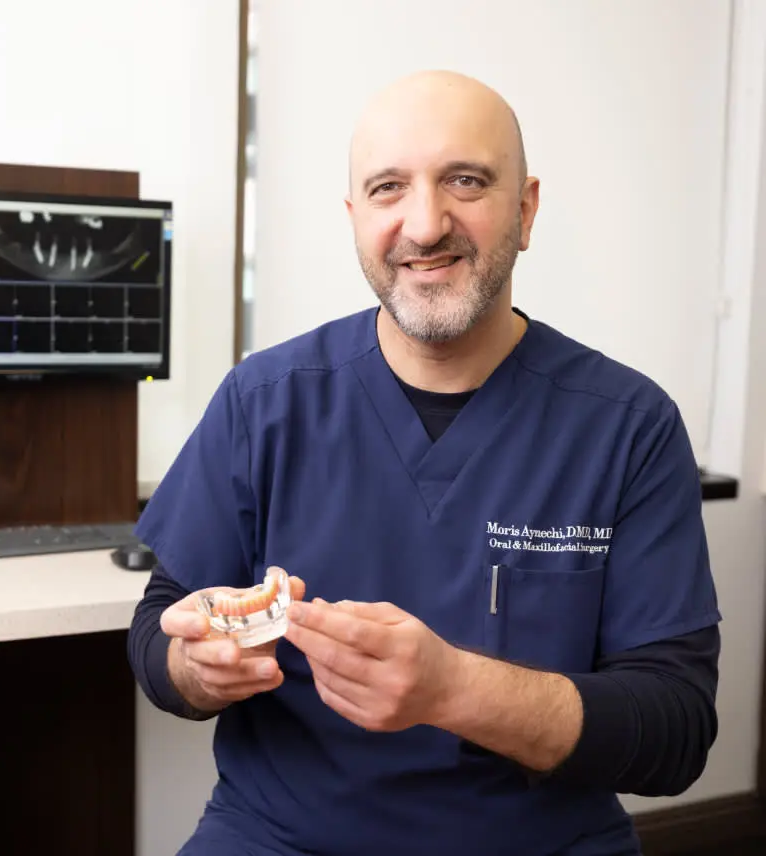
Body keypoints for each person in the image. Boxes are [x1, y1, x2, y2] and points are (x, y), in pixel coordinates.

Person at [127, 69, 721, 856]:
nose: (425, 223)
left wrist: (455, 690)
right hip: (281, 837)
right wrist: (199, 668)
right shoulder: (264, 401)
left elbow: (676, 730)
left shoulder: (628, 427)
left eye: (465, 181)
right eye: (387, 189)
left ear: (526, 208)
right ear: (355, 218)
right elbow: (157, 629)